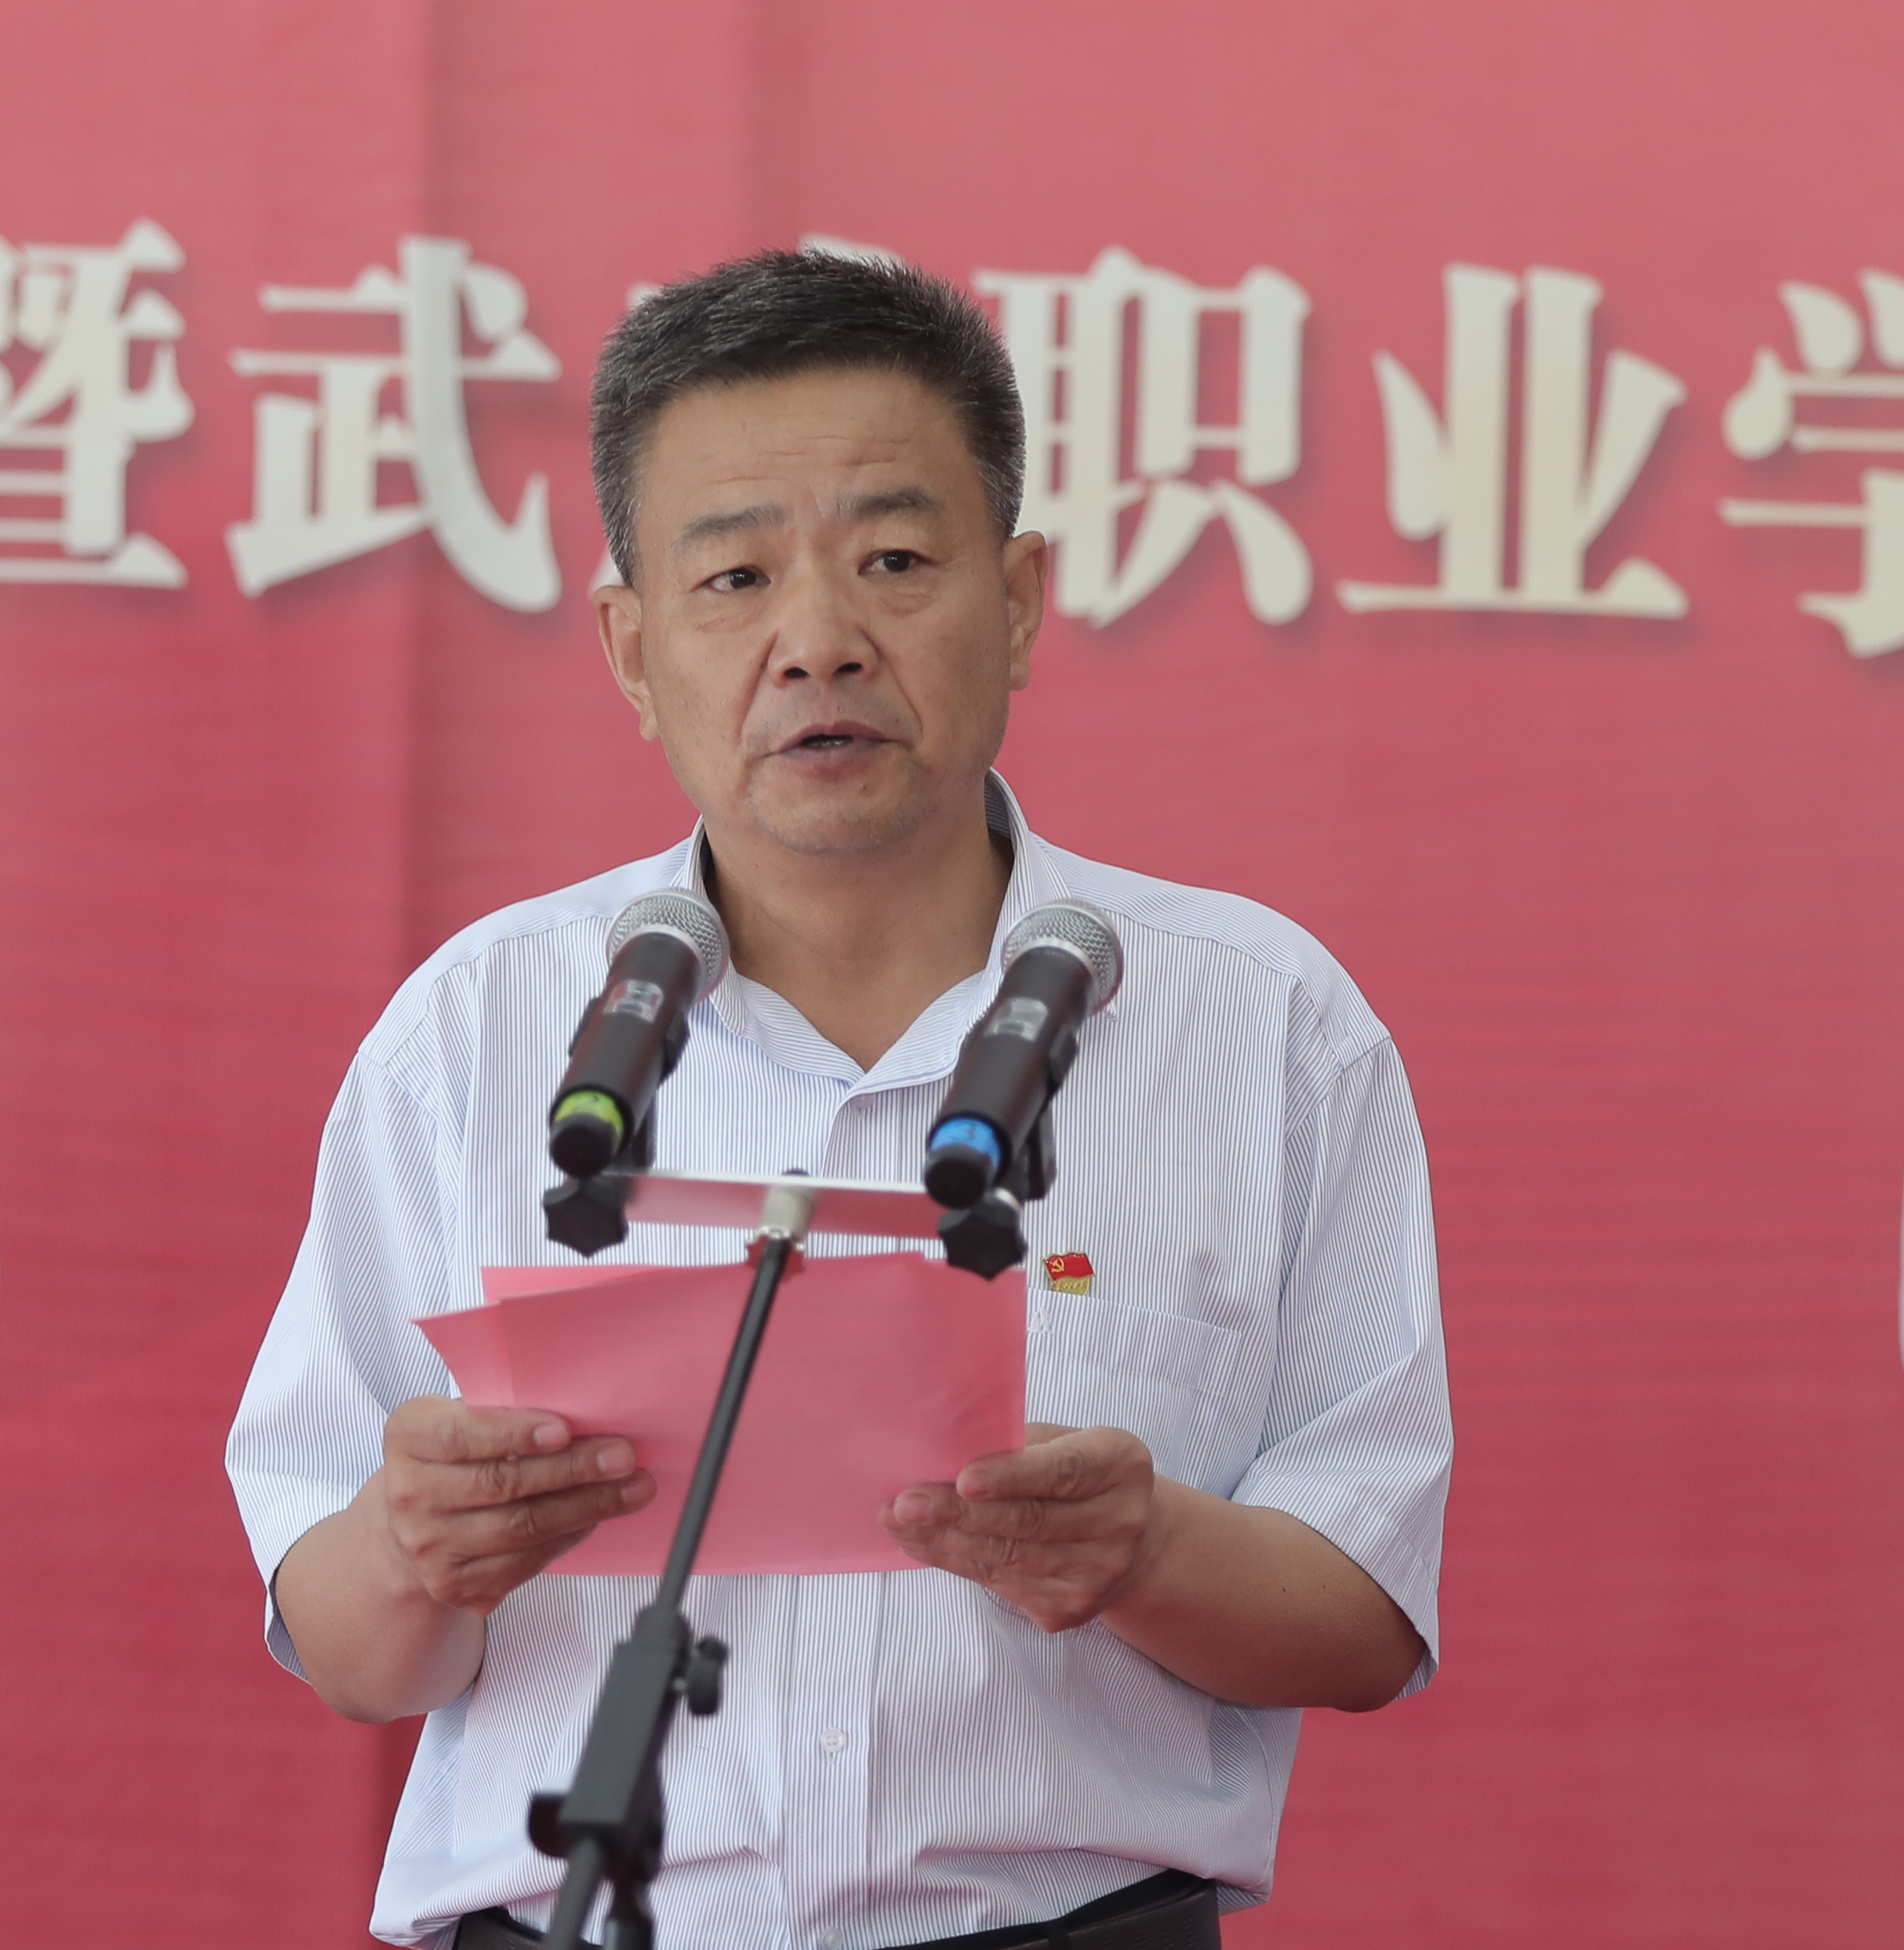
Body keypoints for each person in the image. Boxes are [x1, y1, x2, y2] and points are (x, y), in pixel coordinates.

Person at [227, 250, 1451, 1950]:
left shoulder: (1265, 1028)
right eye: (734, 577)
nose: (817, 642)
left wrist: (1143, 1549)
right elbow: (352, 1646)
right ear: (633, 649)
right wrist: (418, 1546)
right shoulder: (479, 1031)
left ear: (1016, 600)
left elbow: (1365, 1620)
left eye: (893, 561)